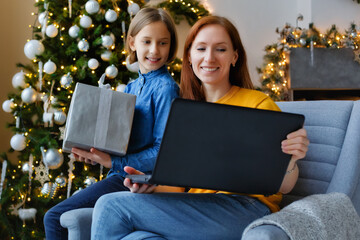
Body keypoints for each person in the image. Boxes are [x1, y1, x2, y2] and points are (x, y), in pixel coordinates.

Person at [90, 16, 309, 239]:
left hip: (246, 209)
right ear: (189, 56)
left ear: (234, 56)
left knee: (110, 205)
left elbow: (284, 187)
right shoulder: (184, 111)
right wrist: (151, 187)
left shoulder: (259, 104)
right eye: (201, 48)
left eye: (220, 49)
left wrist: (291, 160)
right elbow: (177, 188)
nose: (209, 58)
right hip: (197, 208)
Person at [44, 7, 179, 239]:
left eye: (163, 43)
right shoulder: (131, 88)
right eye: (147, 41)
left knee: (54, 217)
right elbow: (119, 142)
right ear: (133, 42)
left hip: (138, 179)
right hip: (119, 175)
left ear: (171, 46)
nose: (154, 50)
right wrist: (92, 152)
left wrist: (114, 162)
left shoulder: (166, 88)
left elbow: (163, 151)